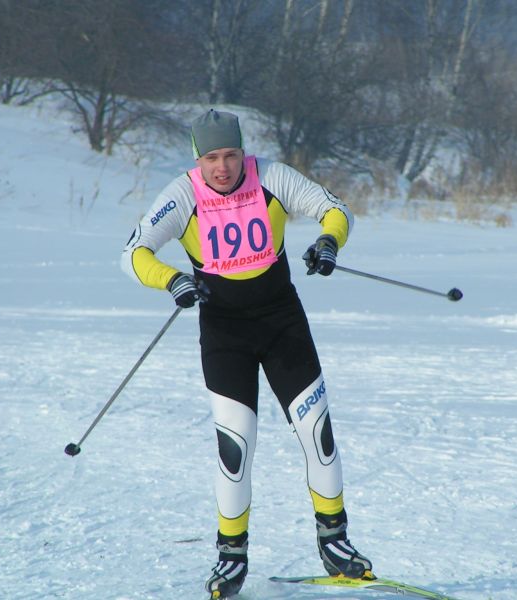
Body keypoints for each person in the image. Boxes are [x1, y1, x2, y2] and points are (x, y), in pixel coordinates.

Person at [121, 109, 373, 599]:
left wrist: (328, 241)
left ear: (243, 152)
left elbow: (336, 210)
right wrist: (172, 279)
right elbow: (134, 254)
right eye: (212, 157)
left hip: (283, 324)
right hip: (225, 334)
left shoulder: (271, 178)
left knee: (318, 434)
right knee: (236, 449)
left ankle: (335, 542)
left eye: (231, 155)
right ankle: (231, 556)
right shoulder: (183, 195)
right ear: (199, 158)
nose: (223, 167)